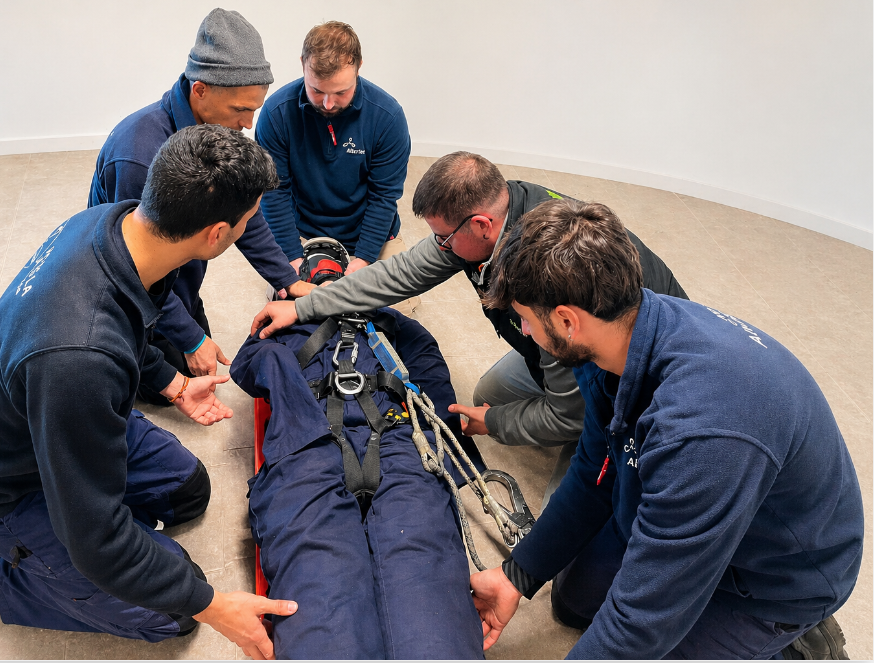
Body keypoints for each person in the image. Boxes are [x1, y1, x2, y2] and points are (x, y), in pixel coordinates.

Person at [0, 125, 297, 658]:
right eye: (247, 221)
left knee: (187, 492)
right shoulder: (79, 358)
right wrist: (213, 606)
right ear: (216, 234)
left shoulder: (115, 224)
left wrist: (172, 382)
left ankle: (61, 539)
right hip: (4, 485)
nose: (248, 228)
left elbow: (125, 324)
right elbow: (95, 538)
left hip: (57, 413)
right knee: (174, 610)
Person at [468, 199, 861, 659]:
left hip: (771, 574)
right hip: (687, 507)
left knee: (647, 637)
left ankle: (796, 641)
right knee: (573, 602)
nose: (524, 330)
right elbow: (596, 470)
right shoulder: (612, 342)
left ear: (567, 321)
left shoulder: (702, 431)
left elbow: (642, 621)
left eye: (526, 319)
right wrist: (516, 576)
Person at [250, 152, 686, 494]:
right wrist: (306, 307)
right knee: (491, 395)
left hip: (635, 375)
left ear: (481, 225)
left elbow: (565, 413)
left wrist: (495, 424)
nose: (439, 246)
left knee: (569, 537)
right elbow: (398, 274)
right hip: (566, 343)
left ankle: (606, 430)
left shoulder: (546, 284)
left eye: (444, 237)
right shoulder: (500, 210)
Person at [231, 302, 483, 659]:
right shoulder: (282, 319)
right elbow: (246, 364)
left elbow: (430, 373)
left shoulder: (386, 317)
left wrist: (440, 448)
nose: (326, 277)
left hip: (397, 438)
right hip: (306, 444)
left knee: (427, 580)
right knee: (323, 594)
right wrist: (293, 411)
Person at [88, 8, 314, 405]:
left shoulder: (219, 130)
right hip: (127, 292)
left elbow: (245, 211)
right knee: (167, 385)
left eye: (254, 109)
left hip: (177, 276)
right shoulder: (138, 156)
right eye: (241, 110)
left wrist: (286, 278)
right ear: (201, 90)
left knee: (204, 359)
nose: (248, 124)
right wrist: (191, 339)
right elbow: (133, 268)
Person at [255, 21, 412, 279]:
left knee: (397, 300)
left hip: (369, 235)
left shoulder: (388, 117)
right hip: (303, 234)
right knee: (294, 299)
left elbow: (383, 196)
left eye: (341, 92)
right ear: (303, 65)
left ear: (359, 68)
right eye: (317, 90)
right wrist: (293, 256)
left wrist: (364, 258)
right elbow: (274, 192)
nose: (328, 104)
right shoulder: (276, 114)